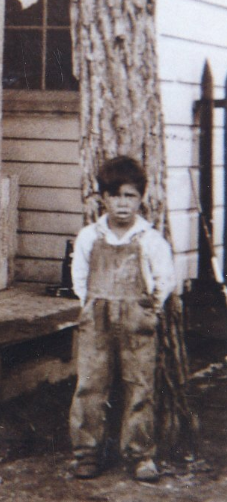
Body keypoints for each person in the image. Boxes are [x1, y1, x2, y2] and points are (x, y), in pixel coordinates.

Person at [68, 156, 176, 482]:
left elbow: (165, 279)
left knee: (139, 387)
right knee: (90, 385)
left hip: (137, 321)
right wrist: (90, 306)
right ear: (103, 198)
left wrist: (149, 310)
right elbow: (80, 277)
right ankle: (87, 453)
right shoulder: (90, 236)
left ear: (141, 198)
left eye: (130, 196)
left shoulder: (149, 239)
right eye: (115, 195)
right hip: (96, 320)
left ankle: (141, 455)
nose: (122, 204)